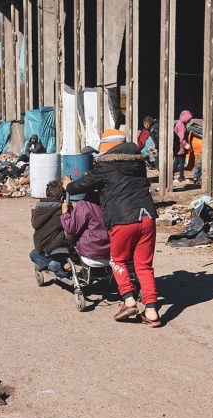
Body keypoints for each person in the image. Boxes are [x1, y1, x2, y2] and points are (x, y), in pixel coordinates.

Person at [63, 129, 160, 327]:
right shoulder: (138, 162)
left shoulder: (106, 165)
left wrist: (68, 186)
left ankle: (129, 300)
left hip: (123, 219)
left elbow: (83, 185)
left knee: (117, 260)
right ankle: (151, 311)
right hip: (147, 216)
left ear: (106, 148)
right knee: (143, 265)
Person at [30, 180, 71, 279]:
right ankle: (58, 267)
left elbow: (34, 224)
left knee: (33, 254)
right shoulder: (62, 210)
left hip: (42, 247)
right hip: (60, 247)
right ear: (62, 198)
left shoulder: (38, 209)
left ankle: (51, 264)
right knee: (62, 263)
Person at [60, 191, 110, 267]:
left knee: (71, 237)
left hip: (90, 254)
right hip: (110, 251)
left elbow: (70, 228)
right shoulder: (112, 202)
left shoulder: (85, 204)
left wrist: (64, 213)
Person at [173, 110, 193, 182]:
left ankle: (170, 175)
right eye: (189, 119)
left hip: (177, 147)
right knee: (181, 162)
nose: (189, 121)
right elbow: (182, 139)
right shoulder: (181, 126)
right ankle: (181, 177)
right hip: (180, 147)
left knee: (176, 161)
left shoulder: (179, 123)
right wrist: (187, 146)